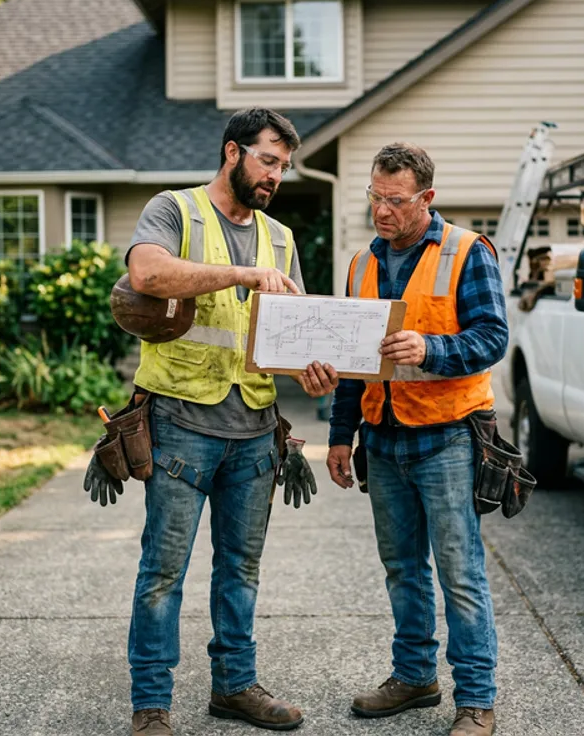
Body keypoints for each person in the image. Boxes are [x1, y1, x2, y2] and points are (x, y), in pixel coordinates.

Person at [103, 108, 337, 736]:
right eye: (267, 160)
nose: (276, 176)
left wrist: (312, 374)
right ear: (233, 152)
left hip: (255, 432)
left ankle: (235, 687)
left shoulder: (280, 238)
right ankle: (151, 705)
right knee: (163, 573)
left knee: (241, 571)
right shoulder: (175, 211)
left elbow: (290, 337)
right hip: (180, 425)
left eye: (284, 166)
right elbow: (146, 273)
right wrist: (241, 273)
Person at [326, 143, 508, 736]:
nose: (381, 210)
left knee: (460, 573)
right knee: (402, 569)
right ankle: (414, 678)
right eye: (374, 197)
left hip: (448, 439)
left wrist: (432, 349)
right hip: (382, 441)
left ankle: (476, 700)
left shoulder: (467, 251)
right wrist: (339, 436)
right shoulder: (361, 264)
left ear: (426, 197)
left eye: (395, 200)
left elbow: (492, 337)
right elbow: (353, 363)